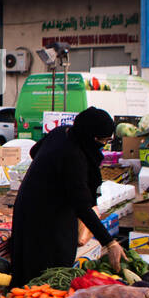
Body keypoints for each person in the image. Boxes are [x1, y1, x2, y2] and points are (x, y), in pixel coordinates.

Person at [10, 108, 123, 286]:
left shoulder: (62, 132)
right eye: (102, 140)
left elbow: (34, 151)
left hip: (28, 204)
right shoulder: (73, 157)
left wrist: (50, 174)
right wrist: (109, 243)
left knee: (26, 264)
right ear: (90, 136)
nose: (103, 145)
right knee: (47, 274)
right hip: (46, 218)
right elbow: (82, 207)